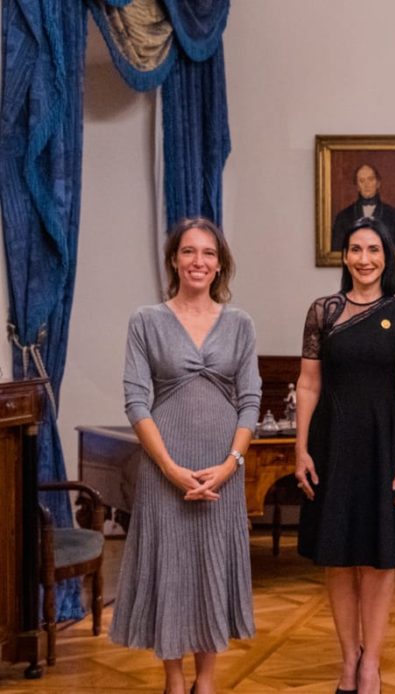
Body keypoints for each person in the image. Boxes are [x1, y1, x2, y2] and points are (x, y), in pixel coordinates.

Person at [112, 218, 261, 694]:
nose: (200, 262)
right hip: (164, 469)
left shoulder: (240, 324)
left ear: (220, 265)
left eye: (209, 254)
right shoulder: (146, 320)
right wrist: (170, 468)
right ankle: (174, 681)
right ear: (174, 260)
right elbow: (136, 400)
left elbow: (251, 401)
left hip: (223, 468)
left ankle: (207, 681)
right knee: (172, 570)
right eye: (190, 252)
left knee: (212, 567)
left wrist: (229, 465)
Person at [294, 218, 395, 694]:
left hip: (386, 444)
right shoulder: (323, 311)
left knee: (378, 560)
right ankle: (347, 658)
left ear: (386, 257)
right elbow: (308, 383)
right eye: (355, 249)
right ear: (345, 257)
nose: (364, 258)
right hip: (331, 444)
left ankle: (371, 663)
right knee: (338, 557)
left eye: (373, 249)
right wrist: (300, 448)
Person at [332, 163, 395, 252]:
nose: (367, 184)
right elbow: (337, 252)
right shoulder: (343, 217)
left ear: (378, 183)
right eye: (362, 180)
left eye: (370, 179)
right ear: (357, 186)